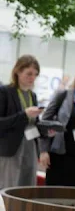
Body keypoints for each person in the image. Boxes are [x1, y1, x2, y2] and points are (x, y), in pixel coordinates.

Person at [0, 55, 42, 189]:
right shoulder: (5, 92)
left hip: (30, 147)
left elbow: (33, 124)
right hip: (11, 149)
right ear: (18, 71)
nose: (32, 78)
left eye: (35, 74)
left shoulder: (32, 95)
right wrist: (24, 114)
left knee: (27, 187)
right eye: (29, 73)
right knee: (8, 187)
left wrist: (47, 130)